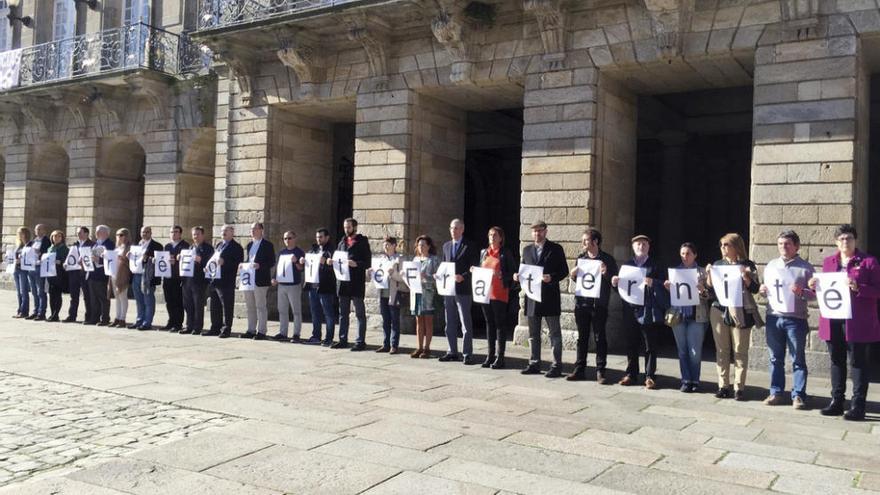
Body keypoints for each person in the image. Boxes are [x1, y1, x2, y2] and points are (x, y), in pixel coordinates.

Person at [809, 224, 880, 421]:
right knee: (836, 361)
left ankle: (858, 405)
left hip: (858, 321)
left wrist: (860, 287)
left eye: (848, 238)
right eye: (841, 239)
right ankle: (837, 401)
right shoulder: (829, 262)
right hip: (833, 319)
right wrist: (813, 287)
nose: (845, 242)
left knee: (858, 362)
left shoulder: (868, 262)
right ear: (835, 242)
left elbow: (878, 290)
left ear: (855, 240)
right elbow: (826, 292)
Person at [759, 230, 814, 409]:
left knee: (797, 358)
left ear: (796, 246)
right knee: (775, 358)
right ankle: (775, 392)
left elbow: (814, 295)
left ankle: (798, 395)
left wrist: (802, 292)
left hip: (795, 319)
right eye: (781, 243)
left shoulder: (806, 268)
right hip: (774, 317)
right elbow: (765, 288)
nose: (783, 246)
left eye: (787, 243)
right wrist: (762, 290)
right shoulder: (771, 265)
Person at [705, 232, 762, 401]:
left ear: (736, 247)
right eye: (721, 245)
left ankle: (739, 387)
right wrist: (709, 274)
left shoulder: (748, 264)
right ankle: (723, 385)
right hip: (719, 309)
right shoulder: (718, 264)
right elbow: (710, 289)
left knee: (740, 349)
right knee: (722, 350)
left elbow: (755, 289)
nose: (723, 248)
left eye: (726, 245)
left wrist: (745, 275)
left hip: (741, 310)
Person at [611, 235, 668, 389]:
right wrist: (615, 283)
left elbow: (665, 285)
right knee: (631, 343)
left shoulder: (656, 264)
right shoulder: (627, 265)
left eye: (644, 244)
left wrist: (653, 282)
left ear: (648, 247)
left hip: (648, 309)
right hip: (630, 309)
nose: (641, 246)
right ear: (633, 247)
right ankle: (631, 373)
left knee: (650, 344)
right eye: (638, 244)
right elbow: (622, 289)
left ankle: (649, 376)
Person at [516, 221, 569, 378]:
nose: (537, 234)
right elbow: (524, 270)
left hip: (549, 296)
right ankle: (534, 363)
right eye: (534, 231)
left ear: (546, 232)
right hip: (532, 298)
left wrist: (551, 277)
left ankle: (556, 365)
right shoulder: (526, 250)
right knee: (533, 333)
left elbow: (564, 271)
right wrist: (517, 277)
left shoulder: (556, 249)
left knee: (554, 333)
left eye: (540, 231)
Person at [567, 228, 618, 383]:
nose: (583, 243)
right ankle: (579, 369)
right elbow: (579, 280)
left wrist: (606, 273)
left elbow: (615, 284)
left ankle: (600, 371)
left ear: (595, 241)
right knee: (582, 337)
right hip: (582, 303)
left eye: (586, 240)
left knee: (599, 337)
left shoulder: (607, 259)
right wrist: (573, 274)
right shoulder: (581, 258)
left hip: (599, 305)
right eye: (583, 240)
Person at [663, 242, 709, 393]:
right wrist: (668, 288)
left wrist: (703, 291)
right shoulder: (675, 271)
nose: (685, 256)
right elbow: (674, 296)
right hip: (679, 316)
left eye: (688, 253)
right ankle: (686, 380)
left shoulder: (703, 272)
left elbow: (711, 295)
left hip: (697, 316)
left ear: (695, 254)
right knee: (682, 350)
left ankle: (695, 379)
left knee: (695, 352)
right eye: (682, 253)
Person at [473, 227, 516, 369]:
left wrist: (502, 275)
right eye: (490, 235)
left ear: (501, 238)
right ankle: (490, 355)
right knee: (489, 324)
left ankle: (500, 357)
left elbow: (513, 272)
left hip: (499, 293)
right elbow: (481, 269)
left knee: (499, 325)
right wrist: (474, 270)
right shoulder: (484, 253)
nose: (492, 237)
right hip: (485, 293)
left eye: (495, 235)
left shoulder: (505, 253)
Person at [440, 219, 478, 364]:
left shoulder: (470, 245)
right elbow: (444, 265)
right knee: (449, 321)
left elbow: (474, 267)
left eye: (456, 228)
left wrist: (464, 276)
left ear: (462, 229)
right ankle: (452, 351)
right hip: (448, 289)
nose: (453, 231)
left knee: (465, 322)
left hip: (463, 289)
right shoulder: (446, 246)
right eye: (451, 228)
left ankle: (467, 353)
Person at [333, 218, 371, 351]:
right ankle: (342, 339)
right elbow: (337, 258)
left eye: (348, 227)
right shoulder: (342, 242)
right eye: (345, 227)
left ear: (355, 227)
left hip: (356, 283)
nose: (346, 229)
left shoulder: (362, 242)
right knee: (343, 313)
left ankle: (360, 341)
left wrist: (356, 264)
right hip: (343, 283)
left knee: (359, 313)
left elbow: (368, 262)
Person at [368, 236, 405, 354]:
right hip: (383, 293)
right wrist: (369, 273)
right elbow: (375, 276)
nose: (385, 246)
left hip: (394, 293)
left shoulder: (399, 259)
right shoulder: (380, 260)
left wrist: (393, 273)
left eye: (388, 244)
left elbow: (403, 278)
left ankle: (394, 345)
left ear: (394, 245)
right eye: (384, 245)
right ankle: (385, 344)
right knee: (385, 320)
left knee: (394, 320)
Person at [205, 224, 243, 338]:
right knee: (214, 305)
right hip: (215, 280)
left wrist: (225, 262)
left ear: (232, 232)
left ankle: (226, 329)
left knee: (226, 306)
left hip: (226, 281)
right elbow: (214, 260)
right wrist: (208, 267)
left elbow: (238, 263)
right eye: (222, 231)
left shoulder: (236, 247)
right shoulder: (219, 245)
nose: (223, 232)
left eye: (226, 230)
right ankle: (215, 327)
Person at [242, 222, 275, 340]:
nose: (252, 231)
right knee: (250, 306)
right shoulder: (249, 245)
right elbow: (247, 260)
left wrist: (259, 265)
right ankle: (251, 329)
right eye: (251, 229)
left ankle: (261, 331)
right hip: (248, 279)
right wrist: (243, 265)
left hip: (260, 279)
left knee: (260, 306)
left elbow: (271, 262)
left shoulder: (267, 245)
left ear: (261, 230)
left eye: (255, 229)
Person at [303, 228, 336, 346]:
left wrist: (326, 262)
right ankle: (316, 335)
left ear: (327, 237)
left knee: (328, 313)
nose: (318, 239)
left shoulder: (332, 251)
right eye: (317, 237)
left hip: (325, 286)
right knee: (315, 312)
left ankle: (329, 338)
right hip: (313, 286)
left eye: (321, 237)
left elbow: (335, 269)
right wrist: (303, 261)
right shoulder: (313, 250)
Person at [271, 230, 305, 343]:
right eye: (285, 238)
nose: (287, 240)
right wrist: (274, 278)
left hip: (294, 285)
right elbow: (279, 267)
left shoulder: (299, 252)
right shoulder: (282, 252)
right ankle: (283, 332)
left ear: (294, 239)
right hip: (282, 285)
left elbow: (301, 269)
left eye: (289, 238)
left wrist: (296, 262)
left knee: (296, 311)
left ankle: (296, 334)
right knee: (282, 310)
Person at [180, 226, 214, 335]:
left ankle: (198, 327)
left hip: (199, 281)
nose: (195, 236)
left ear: (203, 235)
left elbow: (211, 263)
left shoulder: (208, 248)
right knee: (188, 304)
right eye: (194, 234)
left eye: (198, 234)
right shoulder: (190, 248)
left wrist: (202, 260)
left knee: (198, 305)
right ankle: (189, 325)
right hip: (187, 280)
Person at [129, 226, 163, 331]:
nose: (144, 234)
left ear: (151, 233)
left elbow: (159, 259)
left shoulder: (157, 245)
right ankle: (139, 320)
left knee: (148, 300)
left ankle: (147, 322)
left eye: (147, 232)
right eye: (143, 232)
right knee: (139, 300)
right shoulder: (136, 245)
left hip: (147, 276)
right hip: (136, 274)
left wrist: (149, 258)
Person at [412, 235, 439, 358]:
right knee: (418, 320)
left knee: (428, 320)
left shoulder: (434, 260)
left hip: (429, 293)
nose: (421, 247)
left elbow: (438, 278)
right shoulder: (415, 260)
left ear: (428, 246)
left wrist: (426, 277)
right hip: (416, 292)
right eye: (419, 245)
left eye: (423, 245)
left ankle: (427, 348)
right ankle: (419, 347)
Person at [162, 226, 190, 332]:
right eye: (171, 232)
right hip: (167, 277)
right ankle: (171, 321)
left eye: (176, 232)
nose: (173, 234)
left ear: (180, 234)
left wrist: (177, 262)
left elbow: (186, 261)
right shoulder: (167, 246)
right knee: (169, 301)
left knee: (177, 301)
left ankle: (178, 323)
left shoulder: (185, 246)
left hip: (178, 278)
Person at [87, 225, 115, 326]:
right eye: (96, 231)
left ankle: (105, 318)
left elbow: (111, 259)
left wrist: (99, 260)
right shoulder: (95, 244)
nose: (96, 233)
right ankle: (94, 318)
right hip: (92, 273)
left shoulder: (110, 244)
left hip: (102, 275)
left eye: (99, 232)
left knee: (103, 298)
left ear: (106, 233)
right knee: (93, 298)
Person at [64, 227, 93, 324]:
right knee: (73, 295)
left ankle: (88, 316)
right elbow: (70, 256)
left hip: (85, 273)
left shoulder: (91, 244)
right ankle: (72, 315)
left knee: (87, 296)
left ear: (86, 233)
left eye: (80, 233)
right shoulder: (75, 244)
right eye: (77, 233)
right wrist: (66, 262)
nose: (78, 235)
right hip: (74, 272)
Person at [26, 223, 50, 320]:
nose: (38, 231)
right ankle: (35, 311)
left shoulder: (46, 241)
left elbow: (47, 253)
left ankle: (42, 312)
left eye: (40, 229)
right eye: (36, 230)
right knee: (34, 291)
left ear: (44, 231)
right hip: (31, 267)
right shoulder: (33, 241)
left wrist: (39, 253)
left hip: (40, 267)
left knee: (41, 291)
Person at [110, 229, 132, 328]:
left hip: (123, 273)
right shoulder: (117, 247)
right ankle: (117, 317)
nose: (119, 236)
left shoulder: (129, 247)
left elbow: (132, 261)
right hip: (114, 274)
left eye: (122, 235)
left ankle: (123, 318)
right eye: (118, 235)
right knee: (117, 297)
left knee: (123, 296)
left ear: (126, 236)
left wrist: (124, 259)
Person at [46, 230, 69, 322]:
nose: (56, 238)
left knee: (57, 295)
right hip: (50, 274)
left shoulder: (64, 249)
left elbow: (67, 260)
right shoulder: (49, 248)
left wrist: (60, 261)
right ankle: (52, 313)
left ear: (62, 238)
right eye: (54, 236)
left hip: (59, 274)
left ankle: (56, 314)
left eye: (59, 236)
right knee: (51, 295)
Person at [12, 227, 31, 319]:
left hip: (24, 270)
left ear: (26, 234)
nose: (19, 235)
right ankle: (19, 310)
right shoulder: (18, 245)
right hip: (16, 269)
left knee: (24, 291)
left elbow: (30, 257)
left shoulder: (29, 244)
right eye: (18, 233)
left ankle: (24, 311)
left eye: (21, 233)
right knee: (19, 292)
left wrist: (22, 261)